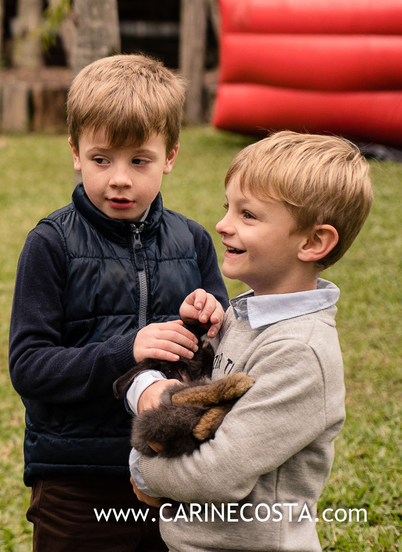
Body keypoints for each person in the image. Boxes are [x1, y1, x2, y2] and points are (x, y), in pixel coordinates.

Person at [7, 54, 229, 552]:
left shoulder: (193, 241)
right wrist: (126, 350)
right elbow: (29, 367)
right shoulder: (51, 243)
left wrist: (209, 318)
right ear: (75, 152)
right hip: (78, 482)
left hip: (175, 475)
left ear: (170, 155)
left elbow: (218, 358)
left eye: (139, 160)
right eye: (102, 159)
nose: (120, 178)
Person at [127, 132, 373, 552]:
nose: (223, 225)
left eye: (248, 215)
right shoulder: (243, 316)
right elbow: (202, 401)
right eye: (228, 208)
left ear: (313, 242)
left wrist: (143, 472)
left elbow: (219, 474)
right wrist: (194, 335)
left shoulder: (300, 352)